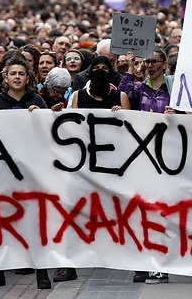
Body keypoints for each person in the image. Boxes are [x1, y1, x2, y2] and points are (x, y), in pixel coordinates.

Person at [53, 56, 129, 284]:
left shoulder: (120, 97)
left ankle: (129, 260)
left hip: (112, 165)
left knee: (117, 211)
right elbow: (72, 129)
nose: (100, 72)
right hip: (84, 164)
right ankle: (69, 265)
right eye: (96, 69)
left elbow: (129, 131)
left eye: (105, 69)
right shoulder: (78, 96)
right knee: (75, 212)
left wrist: (121, 116)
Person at [0, 54, 51, 290]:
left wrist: (41, 117)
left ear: (27, 78)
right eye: (13, 74)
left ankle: (42, 272)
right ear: (5, 78)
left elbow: (49, 136)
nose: (17, 77)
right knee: (0, 221)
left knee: (35, 222)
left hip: (31, 173)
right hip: (2, 173)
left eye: (21, 73)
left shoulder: (38, 101)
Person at [118, 47, 171, 284]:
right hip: (141, 157)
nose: (150, 65)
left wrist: (178, 113)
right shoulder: (139, 89)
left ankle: (161, 263)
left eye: (155, 61)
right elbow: (121, 94)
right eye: (147, 61)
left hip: (168, 158)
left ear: (164, 65)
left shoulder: (174, 91)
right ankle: (144, 262)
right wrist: (130, 68)